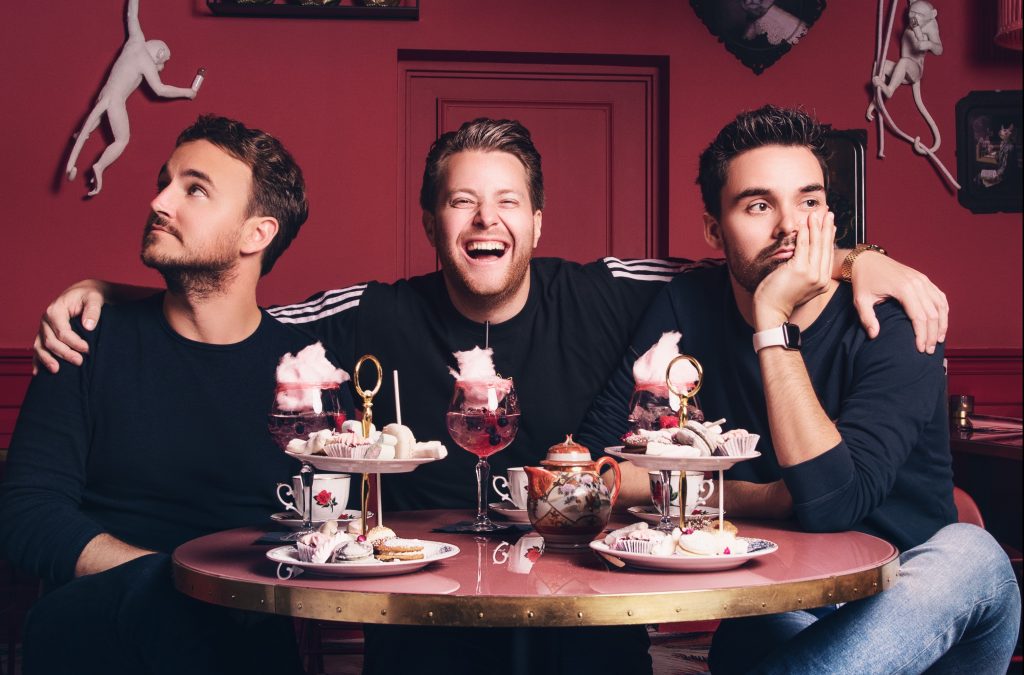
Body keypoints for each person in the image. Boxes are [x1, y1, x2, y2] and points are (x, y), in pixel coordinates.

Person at [32, 117, 950, 674]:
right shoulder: (372, 314)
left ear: (538, 222)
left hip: (586, 620)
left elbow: (745, 263)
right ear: (432, 223)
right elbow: (243, 315)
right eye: (462, 202)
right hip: (424, 624)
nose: (486, 220)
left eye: (508, 201)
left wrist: (863, 258)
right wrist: (115, 295)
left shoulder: (608, 293)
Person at [576, 105, 1021, 674]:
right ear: (714, 229)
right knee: (759, 626)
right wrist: (756, 496)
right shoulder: (686, 305)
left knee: (971, 553)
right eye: (758, 206)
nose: (790, 227)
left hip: (916, 608)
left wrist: (772, 322)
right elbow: (594, 472)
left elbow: (831, 503)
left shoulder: (895, 320)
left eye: (809, 202)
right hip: (788, 606)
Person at [0, 115, 329, 675]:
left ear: (256, 234)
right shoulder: (85, 339)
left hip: (242, 622)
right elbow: (27, 513)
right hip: (102, 618)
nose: (159, 202)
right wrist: (179, 579)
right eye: (164, 182)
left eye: (194, 189)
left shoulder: (306, 369)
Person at [65, 0, 200, 196]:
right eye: (162, 62)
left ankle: (82, 134)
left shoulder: (136, 40)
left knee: (97, 114)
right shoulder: (146, 62)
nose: (161, 67)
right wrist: (187, 92)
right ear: (159, 53)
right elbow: (160, 89)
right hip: (116, 101)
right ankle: (99, 166)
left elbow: (132, 14)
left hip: (104, 94)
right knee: (122, 140)